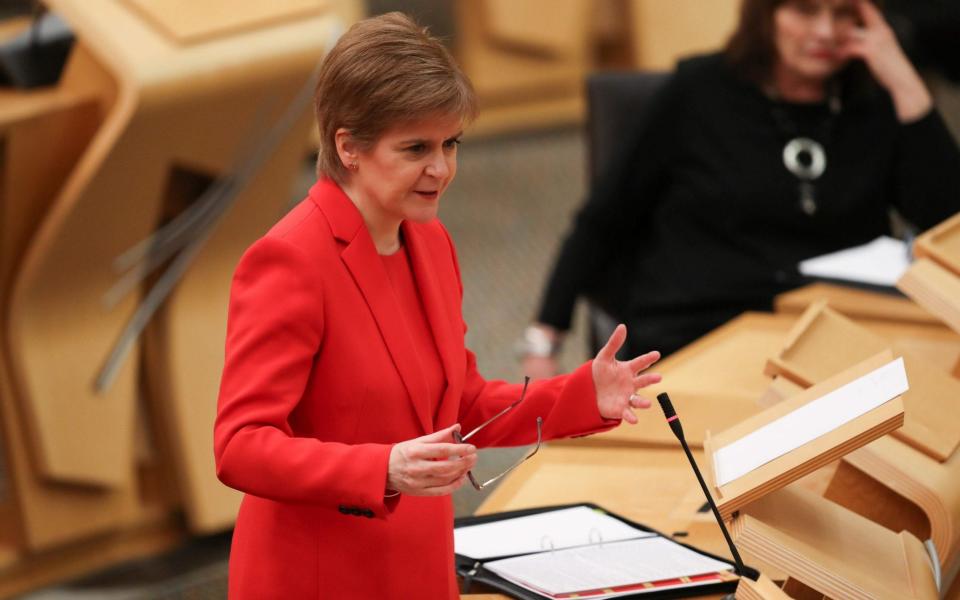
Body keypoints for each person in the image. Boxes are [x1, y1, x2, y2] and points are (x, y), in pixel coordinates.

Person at [213, 12, 662, 600]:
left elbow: (458, 401)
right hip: (321, 575)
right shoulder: (290, 261)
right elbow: (240, 444)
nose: (442, 169)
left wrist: (580, 395)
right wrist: (381, 469)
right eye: (416, 148)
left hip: (419, 563)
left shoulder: (427, 239)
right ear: (348, 146)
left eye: (451, 144)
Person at [519, 0, 960, 376]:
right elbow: (604, 218)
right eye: (805, 9)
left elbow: (948, 223)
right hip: (700, 332)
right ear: (765, 12)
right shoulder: (698, 92)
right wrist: (544, 340)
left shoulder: (878, 100)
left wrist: (903, 78)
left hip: (837, 337)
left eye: (844, 13)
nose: (825, 31)